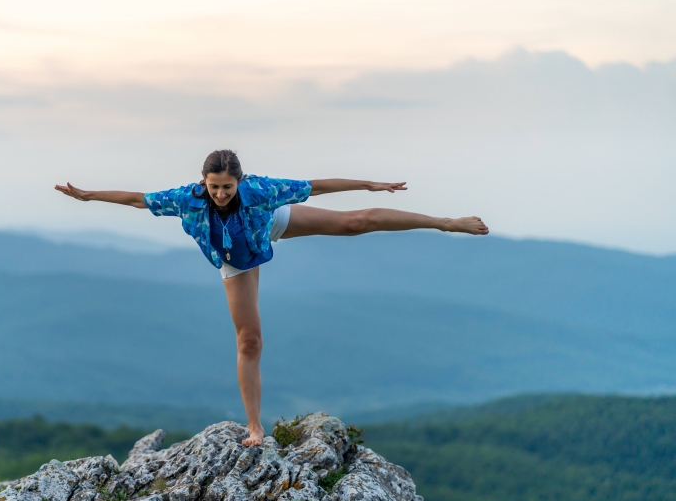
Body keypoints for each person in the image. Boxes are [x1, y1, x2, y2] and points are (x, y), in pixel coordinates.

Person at [55, 149, 488, 446]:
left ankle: (447, 222)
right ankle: (255, 426)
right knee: (249, 341)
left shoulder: (259, 192)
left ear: (239, 181)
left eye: (227, 186)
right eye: (214, 187)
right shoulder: (187, 201)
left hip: (269, 222)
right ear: (203, 183)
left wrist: (370, 184)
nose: (220, 193)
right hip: (234, 258)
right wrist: (89, 195)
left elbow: (316, 186)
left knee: (356, 222)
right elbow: (135, 198)